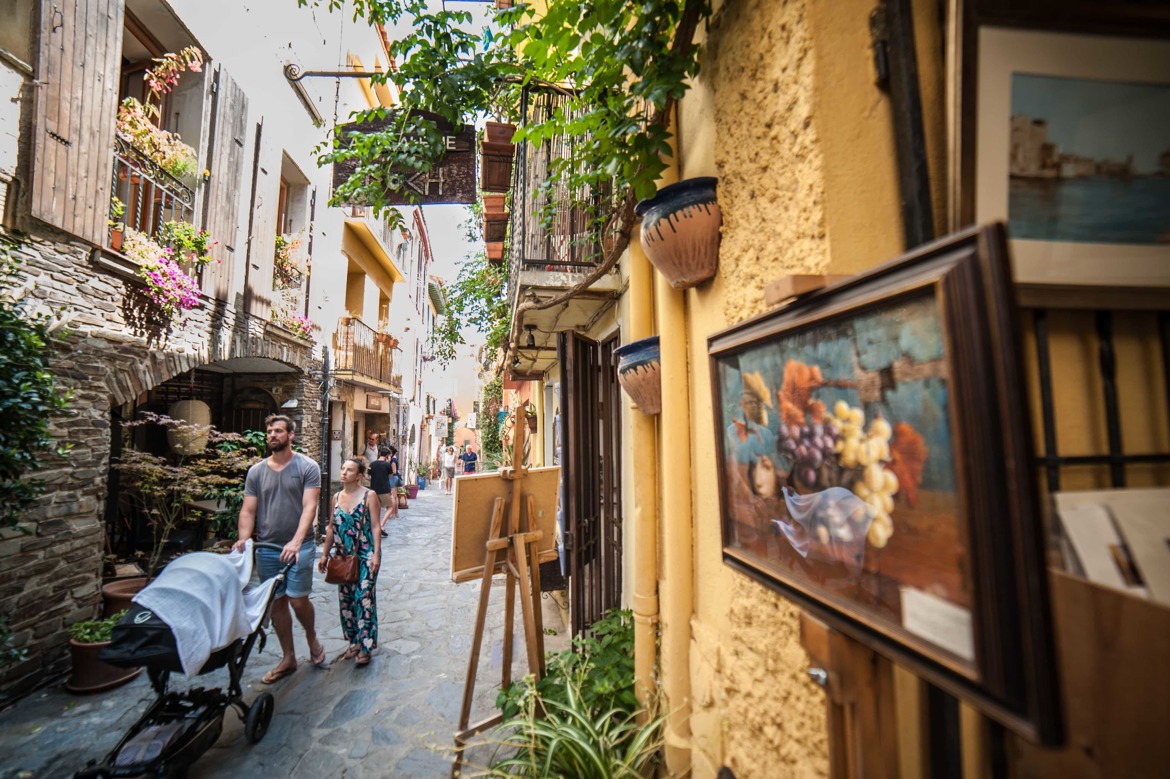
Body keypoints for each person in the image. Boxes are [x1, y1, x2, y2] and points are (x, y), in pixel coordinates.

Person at [233, 414, 325, 683]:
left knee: (298, 600)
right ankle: (288, 657)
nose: (272, 435)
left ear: (290, 435)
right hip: (268, 547)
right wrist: (244, 538)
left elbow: (310, 507)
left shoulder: (307, 467)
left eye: (278, 431)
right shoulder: (256, 472)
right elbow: (248, 510)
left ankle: (311, 636)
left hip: (301, 545)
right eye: (269, 431)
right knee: (276, 603)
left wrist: (296, 541)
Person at [319, 458, 381, 666]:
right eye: (343, 468)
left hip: (364, 555)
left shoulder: (369, 496)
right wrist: (324, 554)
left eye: (350, 470)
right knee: (346, 600)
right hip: (343, 556)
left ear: (359, 475)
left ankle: (366, 646)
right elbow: (330, 528)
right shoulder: (336, 497)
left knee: (363, 597)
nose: (344, 472)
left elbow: (375, 527)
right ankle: (354, 641)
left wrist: (376, 554)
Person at [368, 445, 395, 535]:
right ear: (387, 456)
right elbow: (391, 475)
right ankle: (381, 525)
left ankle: (374, 526)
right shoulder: (387, 465)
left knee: (376, 508)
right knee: (391, 507)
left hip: (374, 490)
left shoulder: (372, 464)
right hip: (384, 489)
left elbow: (368, 477)